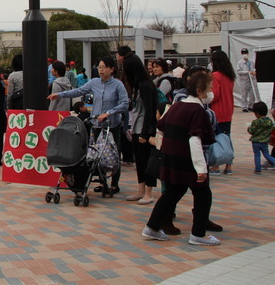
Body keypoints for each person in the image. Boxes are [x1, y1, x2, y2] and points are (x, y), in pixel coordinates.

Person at [141, 71, 220, 246]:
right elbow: (195, 140)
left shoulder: (177, 105)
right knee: (203, 194)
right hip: (188, 160)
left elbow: (160, 127)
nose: (211, 92)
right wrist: (201, 168)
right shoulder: (197, 111)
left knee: (172, 192)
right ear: (200, 91)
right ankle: (198, 234)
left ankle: (152, 227)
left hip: (171, 158)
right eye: (209, 88)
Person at [48, 56, 129, 194]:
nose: (101, 70)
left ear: (112, 69)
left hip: (112, 124)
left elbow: (125, 104)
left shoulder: (118, 85)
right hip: (96, 124)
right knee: (96, 154)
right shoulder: (94, 82)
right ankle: (103, 181)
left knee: (113, 153)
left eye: (104, 67)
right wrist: (60, 95)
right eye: (99, 67)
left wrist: (109, 113)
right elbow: (78, 91)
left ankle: (114, 184)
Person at [121, 55, 158, 205]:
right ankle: (141, 190)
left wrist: (144, 133)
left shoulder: (145, 86)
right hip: (136, 128)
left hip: (145, 129)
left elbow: (150, 110)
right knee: (140, 162)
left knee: (147, 161)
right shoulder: (137, 86)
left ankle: (149, 192)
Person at [208, 50, 236, 175]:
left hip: (217, 111)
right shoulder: (230, 76)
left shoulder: (215, 76)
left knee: (216, 138)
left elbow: (215, 95)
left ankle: (215, 166)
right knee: (227, 137)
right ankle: (229, 165)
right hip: (228, 110)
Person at [248, 101, 275, 173]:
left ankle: (258, 169)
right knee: (267, 155)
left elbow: (251, 131)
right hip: (265, 141)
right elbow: (272, 128)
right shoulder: (269, 121)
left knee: (257, 155)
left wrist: (249, 128)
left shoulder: (256, 122)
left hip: (256, 142)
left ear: (257, 113)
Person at [237, 47, 258, 112]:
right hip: (244, 80)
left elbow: (253, 68)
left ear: (248, 53)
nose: (245, 54)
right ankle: (244, 107)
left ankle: (251, 105)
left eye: (245, 53)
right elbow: (238, 71)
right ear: (241, 54)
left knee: (252, 93)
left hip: (251, 79)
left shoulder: (251, 61)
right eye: (243, 53)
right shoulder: (240, 62)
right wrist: (247, 72)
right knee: (244, 94)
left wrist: (254, 71)